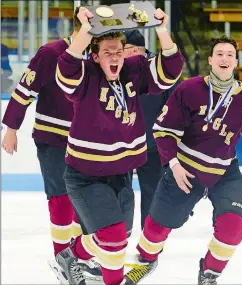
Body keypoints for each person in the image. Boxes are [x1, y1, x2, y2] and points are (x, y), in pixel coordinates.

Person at [125, 35, 242, 285]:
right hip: (185, 170)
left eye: (230, 54)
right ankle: (146, 259)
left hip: (224, 173)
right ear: (210, 60)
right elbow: (164, 131)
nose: (224, 58)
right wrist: (173, 165)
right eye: (219, 53)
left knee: (233, 229)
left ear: (236, 61)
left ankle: (209, 272)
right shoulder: (190, 89)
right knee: (155, 228)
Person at [55, 6, 184, 285]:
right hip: (86, 175)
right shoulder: (85, 76)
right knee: (113, 237)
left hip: (121, 173)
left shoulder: (133, 72)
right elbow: (66, 67)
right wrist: (85, 31)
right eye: (107, 52)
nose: (114, 57)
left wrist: (162, 29)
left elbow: (170, 71)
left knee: (117, 235)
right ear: (95, 56)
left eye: (118, 52)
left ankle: (70, 254)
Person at [1, 7, 102, 280]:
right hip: (52, 139)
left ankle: (78, 258)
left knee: (86, 203)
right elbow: (25, 89)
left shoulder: (98, 58)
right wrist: (11, 128)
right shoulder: (50, 53)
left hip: (87, 144)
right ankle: (62, 259)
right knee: (61, 201)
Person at [123, 29, 179, 229]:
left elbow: (177, 106)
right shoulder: (117, 68)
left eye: (124, 49)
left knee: (153, 193)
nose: (120, 54)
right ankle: (118, 238)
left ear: (137, 49)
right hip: (123, 146)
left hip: (153, 146)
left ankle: (148, 244)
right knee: (121, 192)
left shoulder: (160, 69)